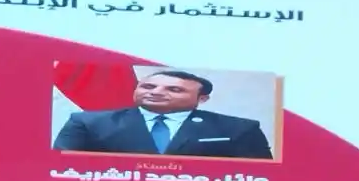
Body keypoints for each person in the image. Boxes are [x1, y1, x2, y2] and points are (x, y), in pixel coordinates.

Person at [54, 70, 272, 159]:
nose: (156, 92)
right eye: (148, 86)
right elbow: (62, 169)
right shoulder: (87, 123)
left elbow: (260, 178)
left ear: (202, 99)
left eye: (174, 89)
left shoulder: (240, 129)